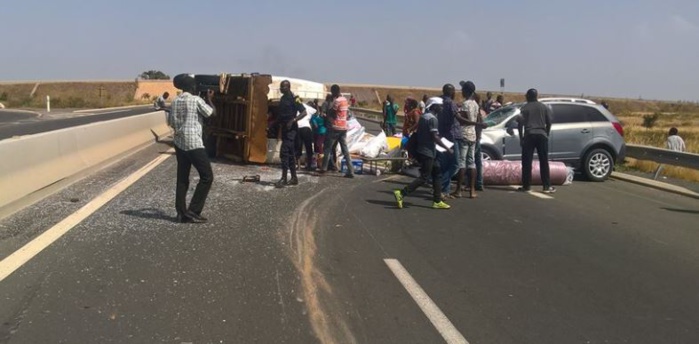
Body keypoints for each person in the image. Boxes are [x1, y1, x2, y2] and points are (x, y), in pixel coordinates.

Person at [168, 76, 215, 223]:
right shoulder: (196, 100)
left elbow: (171, 122)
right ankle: (194, 211)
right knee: (207, 177)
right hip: (194, 143)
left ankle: (181, 213)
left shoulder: (175, 101)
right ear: (192, 87)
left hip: (179, 143)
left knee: (182, 178)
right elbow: (212, 114)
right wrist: (209, 98)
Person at [393, 97, 453, 210]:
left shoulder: (424, 117)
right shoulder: (432, 119)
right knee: (424, 177)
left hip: (423, 150)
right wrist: (447, 148)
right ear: (434, 106)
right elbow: (435, 137)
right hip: (428, 152)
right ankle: (401, 193)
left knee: (437, 172)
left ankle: (437, 201)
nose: (442, 107)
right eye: (440, 105)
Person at [517, 88, 556, 193]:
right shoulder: (544, 107)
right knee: (544, 161)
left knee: (526, 162)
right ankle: (546, 186)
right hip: (541, 135)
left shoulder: (524, 108)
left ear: (529, 96)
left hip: (529, 135)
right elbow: (549, 122)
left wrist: (521, 138)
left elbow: (520, 124)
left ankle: (526, 186)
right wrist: (546, 133)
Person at [454, 81, 487, 198]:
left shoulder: (465, 104)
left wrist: (457, 115)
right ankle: (472, 190)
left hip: (464, 134)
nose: (461, 91)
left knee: (462, 162)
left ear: (466, 91)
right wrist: (479, 127)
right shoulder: (476, 104)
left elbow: (462, 120)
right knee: (471, 162)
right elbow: (479, 120)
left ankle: (458, 190)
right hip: (473, 135)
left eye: (463, 90)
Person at [275, 80, 308, 188]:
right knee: (289, 154)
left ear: (288, 87)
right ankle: (294, 178)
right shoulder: (283, 99)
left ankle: (284, 178)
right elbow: (280, 116)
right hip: (284, 129)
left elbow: (304, 112)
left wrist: (293, 120)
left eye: (283, 87)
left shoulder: (295, 98)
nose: (281, 89)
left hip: (292, 130)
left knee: (284, 152)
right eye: (280, 87)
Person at [319, 84, 354, 178]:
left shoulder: (337, 101)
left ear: (333, 92)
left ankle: (324, 168)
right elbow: (346, 113)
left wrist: (326, 115)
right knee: (345, 150)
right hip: (343, 128)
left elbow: (332, 113)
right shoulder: (345, 100)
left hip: (335, 127)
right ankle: (351, 170)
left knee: (327, 148)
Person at [437, 84, 462, 199]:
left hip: (441, 136)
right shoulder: (451, 103)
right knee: (456, 164)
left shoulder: (438, 101)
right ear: (452, 92)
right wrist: (476, 123)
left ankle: (445, 191)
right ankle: (440, 185)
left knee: (445, 164)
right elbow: (458, 118)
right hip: (452, 136)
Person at [295, 104, 315, 171]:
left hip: (298, 128)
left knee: (298, 147)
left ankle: (299, 166)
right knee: (308, 147)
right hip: (307, 128)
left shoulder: (296, 106)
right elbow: (315, 111)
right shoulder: (309, 108)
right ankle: (309, 166)